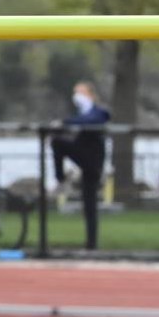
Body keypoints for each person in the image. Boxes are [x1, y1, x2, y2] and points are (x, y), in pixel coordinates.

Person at [51, 81, 111, 251]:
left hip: (93, 161)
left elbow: (92, 120)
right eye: (75, 92)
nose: (76, 96)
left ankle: (91, 244)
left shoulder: (99, 111)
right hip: (83, 156)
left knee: (90, 203)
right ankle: (60, 179)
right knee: (57, 142)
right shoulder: (81, 113)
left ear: (90, 94)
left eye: (80, 92)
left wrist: (66, 122)